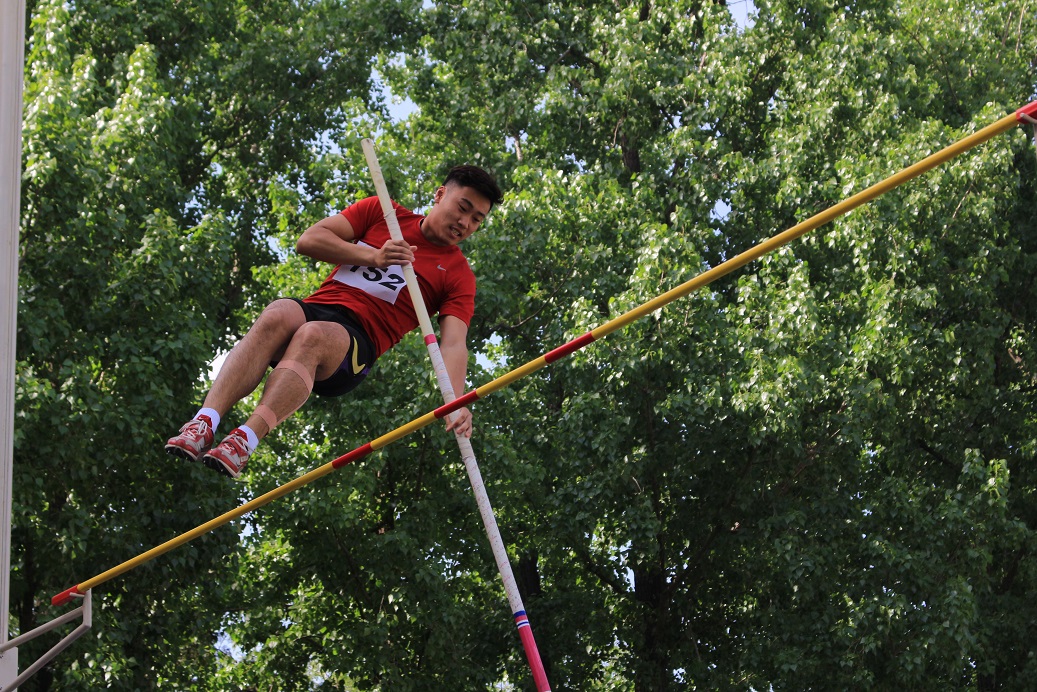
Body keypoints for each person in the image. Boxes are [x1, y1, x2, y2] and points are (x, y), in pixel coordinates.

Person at [166, 165, 504, 478]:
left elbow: (453, 343)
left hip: (356, 345)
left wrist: (456, 401)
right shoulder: (382, 212)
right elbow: (309, 241)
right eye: (463, 208)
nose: (465, 223)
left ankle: (244, 440)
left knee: (314, 334)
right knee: (279, 312)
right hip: (318, 308)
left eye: (477, 219)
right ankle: (203, 423)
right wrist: (374, 256)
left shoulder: (458, 274)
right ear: (440, 194)